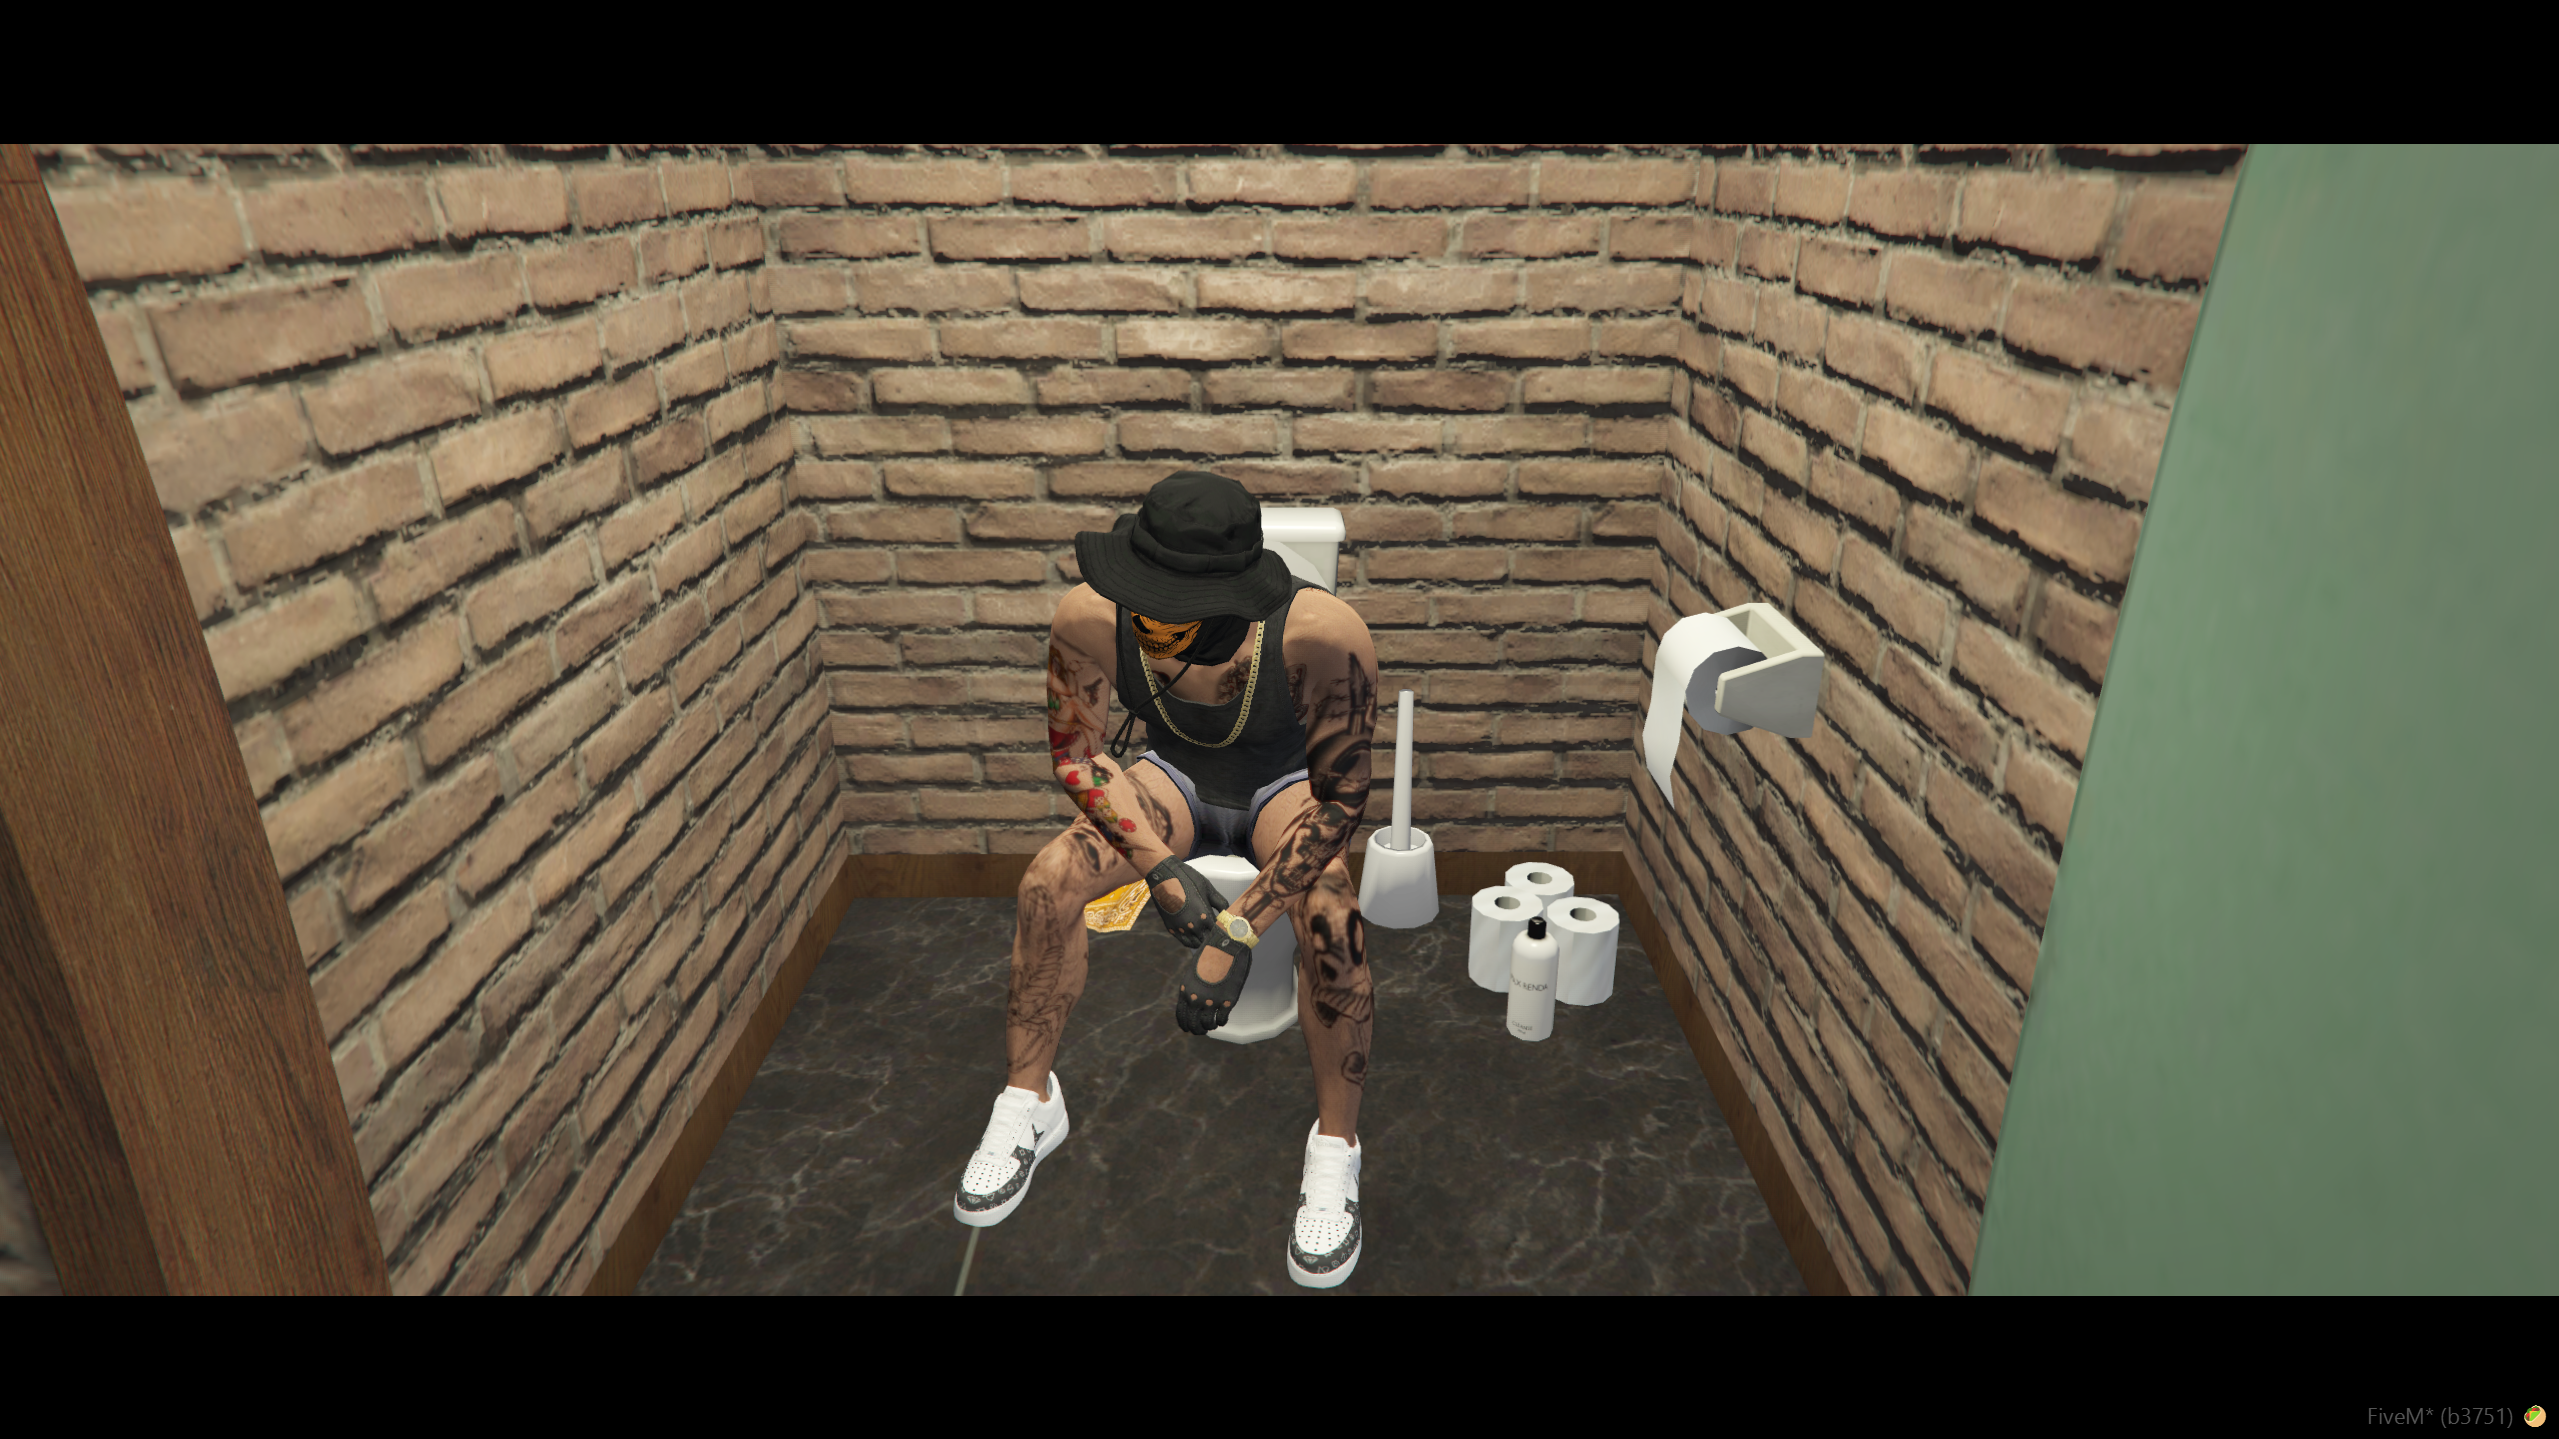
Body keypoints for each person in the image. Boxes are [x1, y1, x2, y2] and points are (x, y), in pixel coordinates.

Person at [952, 470, 1380, 1288]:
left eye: (1172, 613)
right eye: (1141, 602)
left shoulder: (1323, 634)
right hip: (1173, 781)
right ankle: (1029, 1101)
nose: (1147, 625)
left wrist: (1237, 931)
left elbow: (1341, 798)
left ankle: (1335, 1146)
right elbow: (1079, 755)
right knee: (1046, 880)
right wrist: (1158, 868)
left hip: (1283, 790)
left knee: (1332, 914)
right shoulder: (1089, 617)